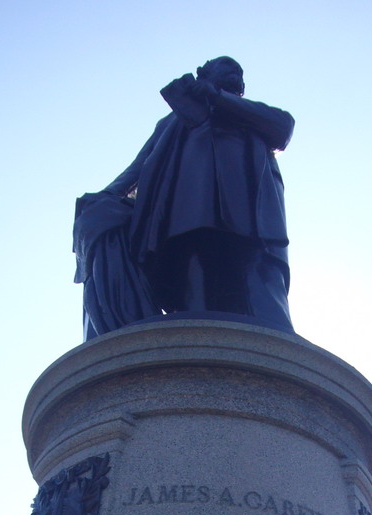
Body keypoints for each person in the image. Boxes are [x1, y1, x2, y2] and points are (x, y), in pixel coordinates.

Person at [74, 56, 294, 338]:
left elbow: (283, 126)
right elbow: (140, 166)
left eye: (238, 73)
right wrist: (107, 195)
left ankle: (279, 355)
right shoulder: (175, 119)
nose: (235, 75)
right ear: (203, 73)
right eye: (225, 68)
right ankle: (193, 352)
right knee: (195, 285)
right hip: (189, 211)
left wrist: (216, 98)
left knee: (262, 286)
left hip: (252, 215)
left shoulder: (246, 114)